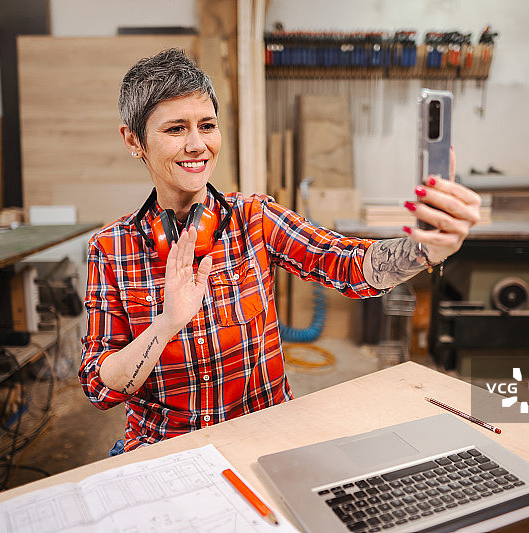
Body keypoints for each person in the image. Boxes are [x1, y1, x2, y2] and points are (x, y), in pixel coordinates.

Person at [80, 48, 481, 454]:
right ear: (134, 139)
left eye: (207, 125)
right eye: (176, 129)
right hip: (165, 449)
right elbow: (99, 388)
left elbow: (348, 264)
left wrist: (424, 249)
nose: (198, 145)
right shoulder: (110, 249)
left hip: (263, 438)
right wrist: (165, 325)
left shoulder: (254, 217)